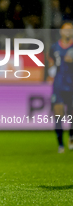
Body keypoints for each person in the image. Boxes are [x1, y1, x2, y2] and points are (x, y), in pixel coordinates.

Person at [49, 22, 73, 153]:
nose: (68, 32)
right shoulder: (54, 47)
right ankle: (60, 144)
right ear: (61, 32)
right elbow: (51, 62)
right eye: (66, 30)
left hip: (71, 83)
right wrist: (51, 73)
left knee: (71, 113)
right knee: (58, 114)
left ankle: (71, 136)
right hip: (58, 83)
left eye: (71, 30)